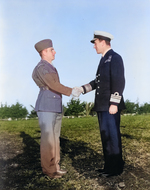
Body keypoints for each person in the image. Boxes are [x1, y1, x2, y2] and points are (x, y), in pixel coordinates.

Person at [77, 31, 125, 177]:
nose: (94, 47)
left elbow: (119, 81)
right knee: (106, 137)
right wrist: (82, 89)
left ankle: (116, 168)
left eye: (95, 43)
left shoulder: (115, 58)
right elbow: (98, 82)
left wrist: (114, 103)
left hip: (110, 106)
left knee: (113, 137)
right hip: (102, 106)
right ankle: (109, 166)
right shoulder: (104, 59)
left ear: (103, 42)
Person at [32, 39, 78, 179]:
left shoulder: (49, 66)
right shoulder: (42, 67)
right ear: (44, 52)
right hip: (46, 106)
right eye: (52, 50)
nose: (54, 52)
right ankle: (49, 170)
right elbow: (52, 84)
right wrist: (71, 91)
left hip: (54, 105)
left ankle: (55, 167)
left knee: (55, 138)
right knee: (48, 140)